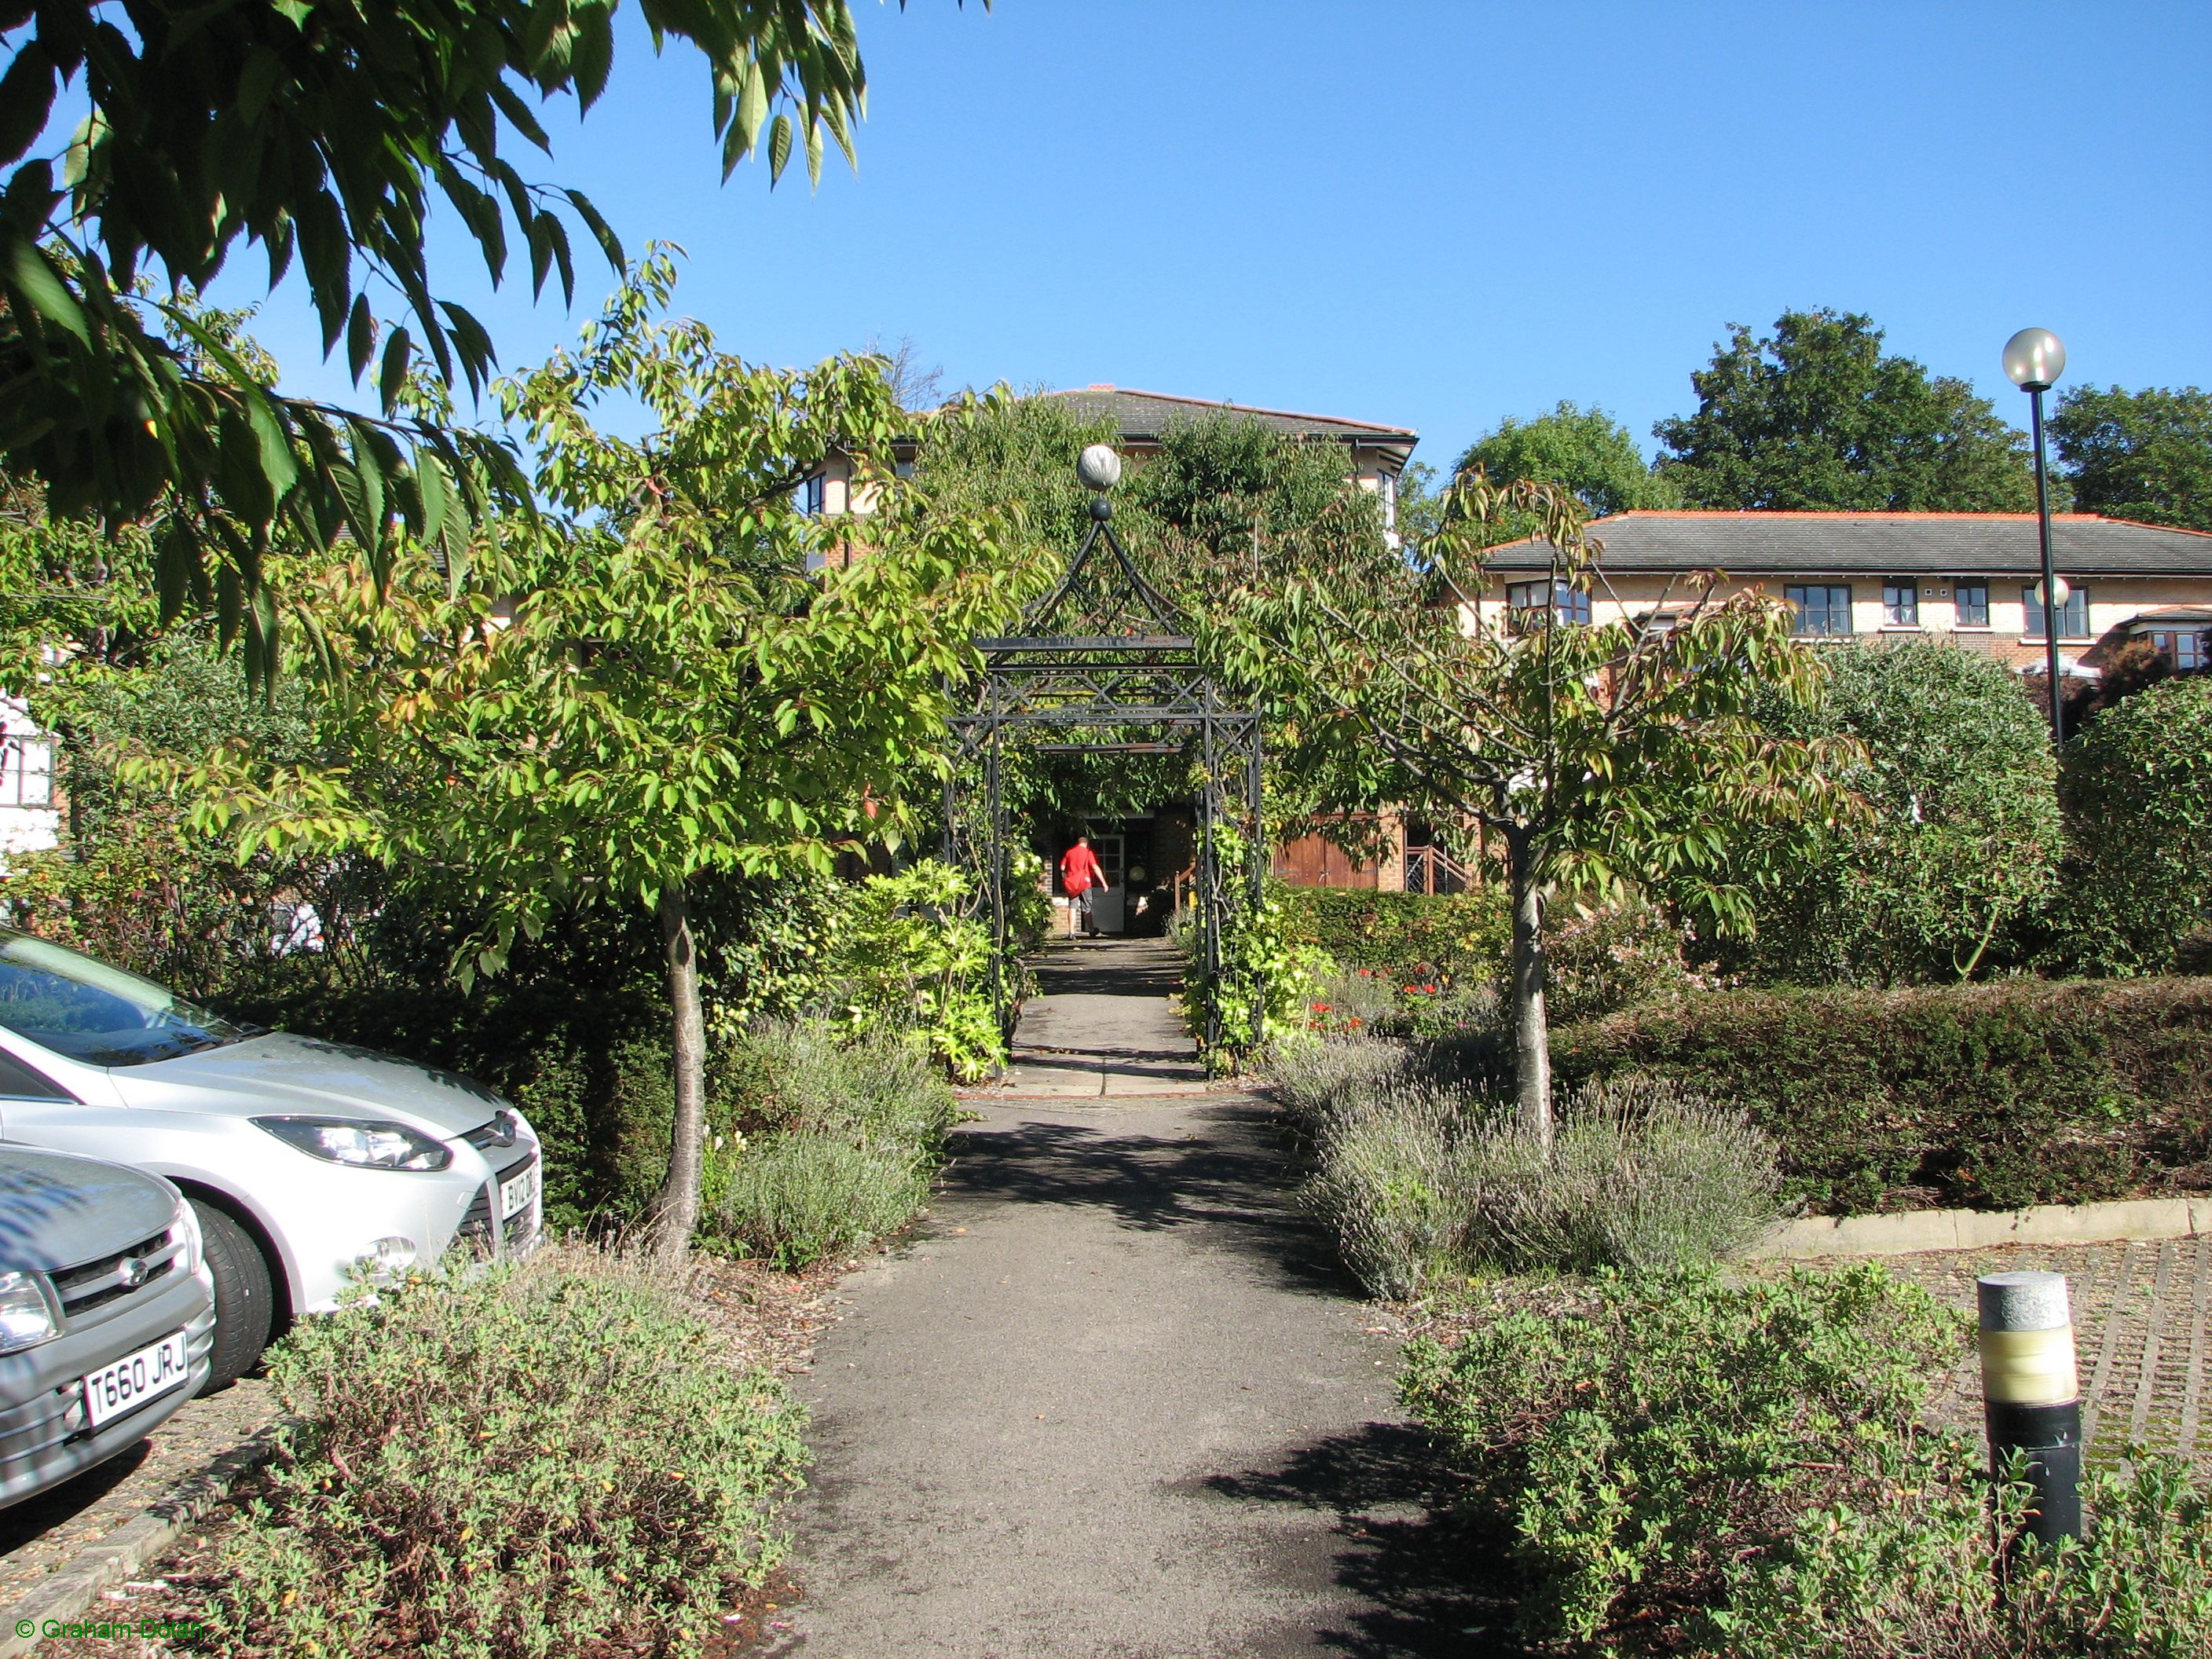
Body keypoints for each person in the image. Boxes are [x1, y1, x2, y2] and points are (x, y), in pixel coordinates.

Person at [1059, 834, 1108, 937]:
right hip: (1085, 882)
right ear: (1087, 843)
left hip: (1072, 884)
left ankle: (1071, 932)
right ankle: (1091, 929)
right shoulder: (1088, 853)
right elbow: (1095, 867)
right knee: (1087, 907)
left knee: (1072, 907)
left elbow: (1062, 867)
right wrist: (1104, 883)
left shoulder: (1069, 852)